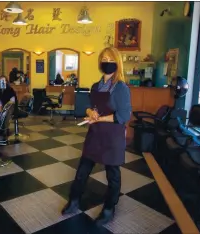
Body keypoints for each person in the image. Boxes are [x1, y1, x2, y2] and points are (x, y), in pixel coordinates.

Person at [61, 47, 132, 226]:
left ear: (117, 63)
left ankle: (109, 208)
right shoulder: (95, 86)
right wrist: (90, 112)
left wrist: (100, 118)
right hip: (95, 134)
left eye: (110, 59)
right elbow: (89, 106)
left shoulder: (121, 88)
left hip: (113, 137)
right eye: (104, 59)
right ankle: (74, 200)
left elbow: (123, 115)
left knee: (112, 175)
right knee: (82, 171)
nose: (107, 62)